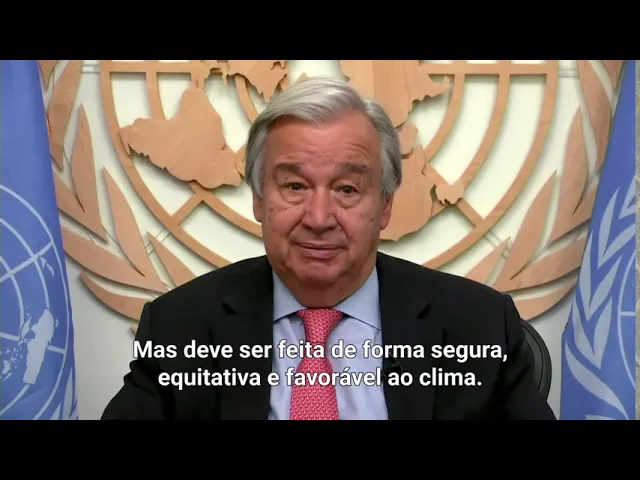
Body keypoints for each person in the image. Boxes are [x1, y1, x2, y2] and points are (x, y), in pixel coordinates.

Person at [101, 77, 556, 420]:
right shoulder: (180, 329)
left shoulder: (478, 326)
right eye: (294, 186)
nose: (319, 219)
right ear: (259, 200)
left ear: (385, 205)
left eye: (347, 189)